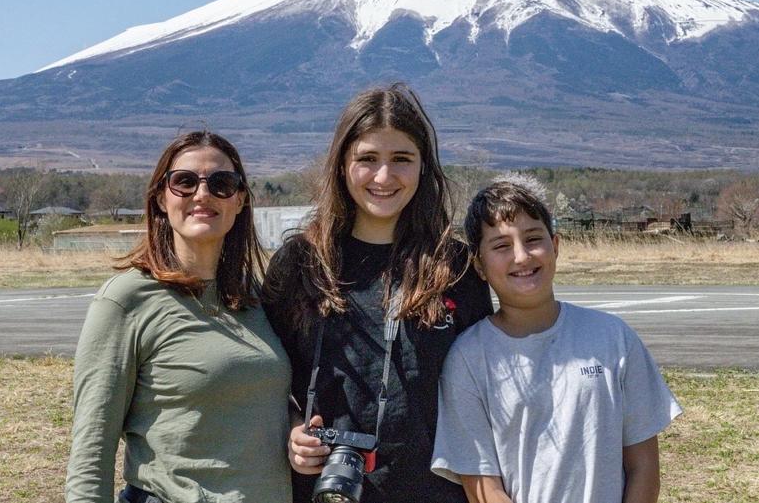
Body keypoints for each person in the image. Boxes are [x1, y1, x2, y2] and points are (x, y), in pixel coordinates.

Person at [262, 83, 493, 503]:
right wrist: (294, 428)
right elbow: (266, 376)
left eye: (401, 159)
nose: (384, 177)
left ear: (423, 166)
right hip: (323, 489)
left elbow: (484, 389)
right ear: (341, 166)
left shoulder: (455, 267)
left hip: (433, 491)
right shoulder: (299, 263)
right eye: (367, 159)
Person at [66, 131, 292, 503]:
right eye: (184, 182)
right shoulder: (126, 300)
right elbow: (92, 450)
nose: (202, 194)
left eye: (221, 183)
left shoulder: (255, 298)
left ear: (240, 200)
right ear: (160, 197)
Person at [431, 181, 682, 503]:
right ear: (479, 264)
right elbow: (483, 488)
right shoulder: (468, 359)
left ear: (556, 245)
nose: (521, 256)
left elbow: (643, 466)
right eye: (501, 246)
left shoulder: (612, 337)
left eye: (533, 239)